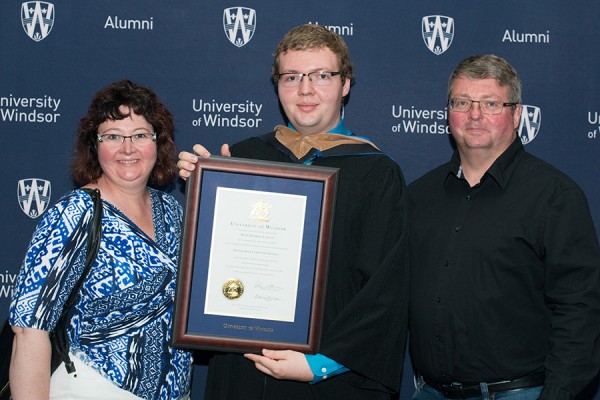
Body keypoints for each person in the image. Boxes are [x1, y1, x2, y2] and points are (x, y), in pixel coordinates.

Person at [177, 24, 410, 399]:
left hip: (330, 378)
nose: (305, 90)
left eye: (321, 76)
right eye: (292, 77)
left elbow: (385, 291)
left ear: (345, 84)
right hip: (243, 369)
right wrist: (206, 190)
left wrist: (321, 362)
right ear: (277, 84)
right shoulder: (243, 158)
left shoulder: (376, 173)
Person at [408, 54, 600, 400]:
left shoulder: (555, 196)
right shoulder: (419, 196)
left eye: (491, 103)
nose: (475, 114)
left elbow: (581, 308)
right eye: (462, 102)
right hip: (428, 392)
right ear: (448, 112)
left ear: (517, 114)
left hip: (521, 392)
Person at [9, 80, 192, 399]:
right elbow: (29, 330)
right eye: (113, 136)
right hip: (95, 388)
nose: (127, 149)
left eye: (139, 135)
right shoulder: (74, 214)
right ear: (95, 145)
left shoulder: (170, 211)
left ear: (157, 142)